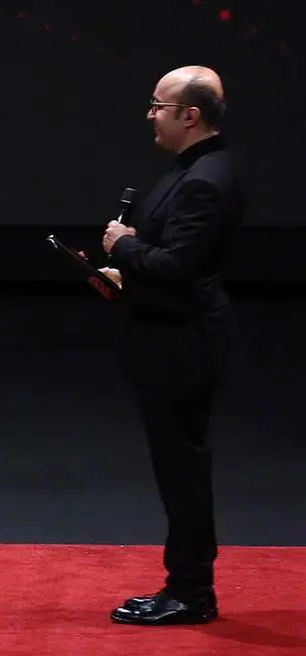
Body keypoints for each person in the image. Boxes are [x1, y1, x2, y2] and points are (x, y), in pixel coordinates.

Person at [99, 65, 243, 625]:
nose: (150, 115)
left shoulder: (205, 178)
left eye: (158, 106)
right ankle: (186, 586)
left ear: (191, 115)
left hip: (183, 345)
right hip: (171, 337)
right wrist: (126, 273)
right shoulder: (193, 168)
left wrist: (124, 246)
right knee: (179, 472)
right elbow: (176, 259)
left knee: (183, 475)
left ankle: (191, 592)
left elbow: (179, 266)